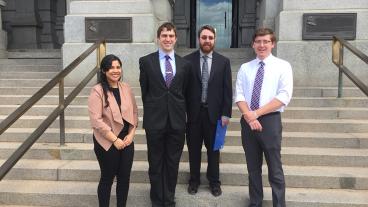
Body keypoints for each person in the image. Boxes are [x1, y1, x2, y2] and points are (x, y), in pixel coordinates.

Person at [234, 28, 293, 207]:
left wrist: (257, 114)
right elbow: (239, 95)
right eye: (258, 42)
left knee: (275, 168)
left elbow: (284, 96)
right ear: (253, 44)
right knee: (253, 168)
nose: (262, 45)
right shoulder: (245, 68)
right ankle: (255, 202)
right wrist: (250, 117)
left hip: (270, 121)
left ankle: (279, 204)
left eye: (266, 41)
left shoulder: (283, 66)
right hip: (248, 122)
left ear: (272, 44)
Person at [139, 22, 191, 207]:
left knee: (172, 163)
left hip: (177, 122)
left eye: (171, 36)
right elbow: (145, 92)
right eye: (164, 36)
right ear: (158, 38)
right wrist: (155, 109)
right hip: (155, 121)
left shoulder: (185, 64)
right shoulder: (146, 62)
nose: (168, 39)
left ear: (176, 39)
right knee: (155, 162)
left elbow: (184, 93)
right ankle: (156, 198)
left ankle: (168, 199)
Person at [184, 25, 232, 197]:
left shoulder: (223, 62)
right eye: (204, 37)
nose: (207, 41)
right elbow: (183, 90)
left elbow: (227, 90)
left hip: (215, 116)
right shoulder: (187, 61)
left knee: (214, 151)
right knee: (194, 150)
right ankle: (194, 181)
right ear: (199, 39)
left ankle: (214, 182)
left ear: (214, 40)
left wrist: (226, 113)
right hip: (193, 116)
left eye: (210, 38)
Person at [88, 54, 138, 207]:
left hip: (127, 140)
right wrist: (115, 140)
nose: (115, 71)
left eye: (118, 67)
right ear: (104, 70)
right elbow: (96, 120)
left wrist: (131, 134)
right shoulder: (97, 91)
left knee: (124, 178)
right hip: (107, 141)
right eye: (111, 68)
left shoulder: (126, 88)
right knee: (107, 178)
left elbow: (134, 112)